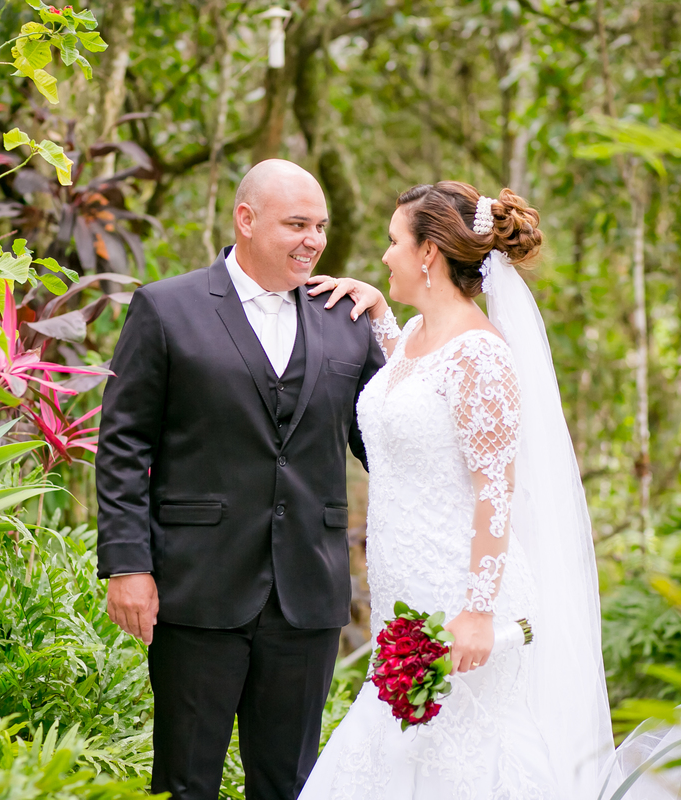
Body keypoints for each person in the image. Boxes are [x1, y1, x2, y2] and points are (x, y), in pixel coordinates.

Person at [298, 181, 615, 799]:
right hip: (402, 591)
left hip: (459, 597)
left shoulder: (482, 356)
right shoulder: (419, 337)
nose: (384, 256)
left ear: (428, 253)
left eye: (394, 242)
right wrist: (379, 315)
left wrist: (477, 610)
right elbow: (415, 396)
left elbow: (496, 490)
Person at [94, 159, 387, 800]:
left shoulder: (348, 320)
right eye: (297, 224)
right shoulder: (165, 308)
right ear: (246, 219)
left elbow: (387, 445)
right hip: (196, 586)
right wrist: (127, 564)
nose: (314, 240)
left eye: (321, 227)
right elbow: (123, 445)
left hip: (308, 592)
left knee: (289, 784)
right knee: (184, 781)